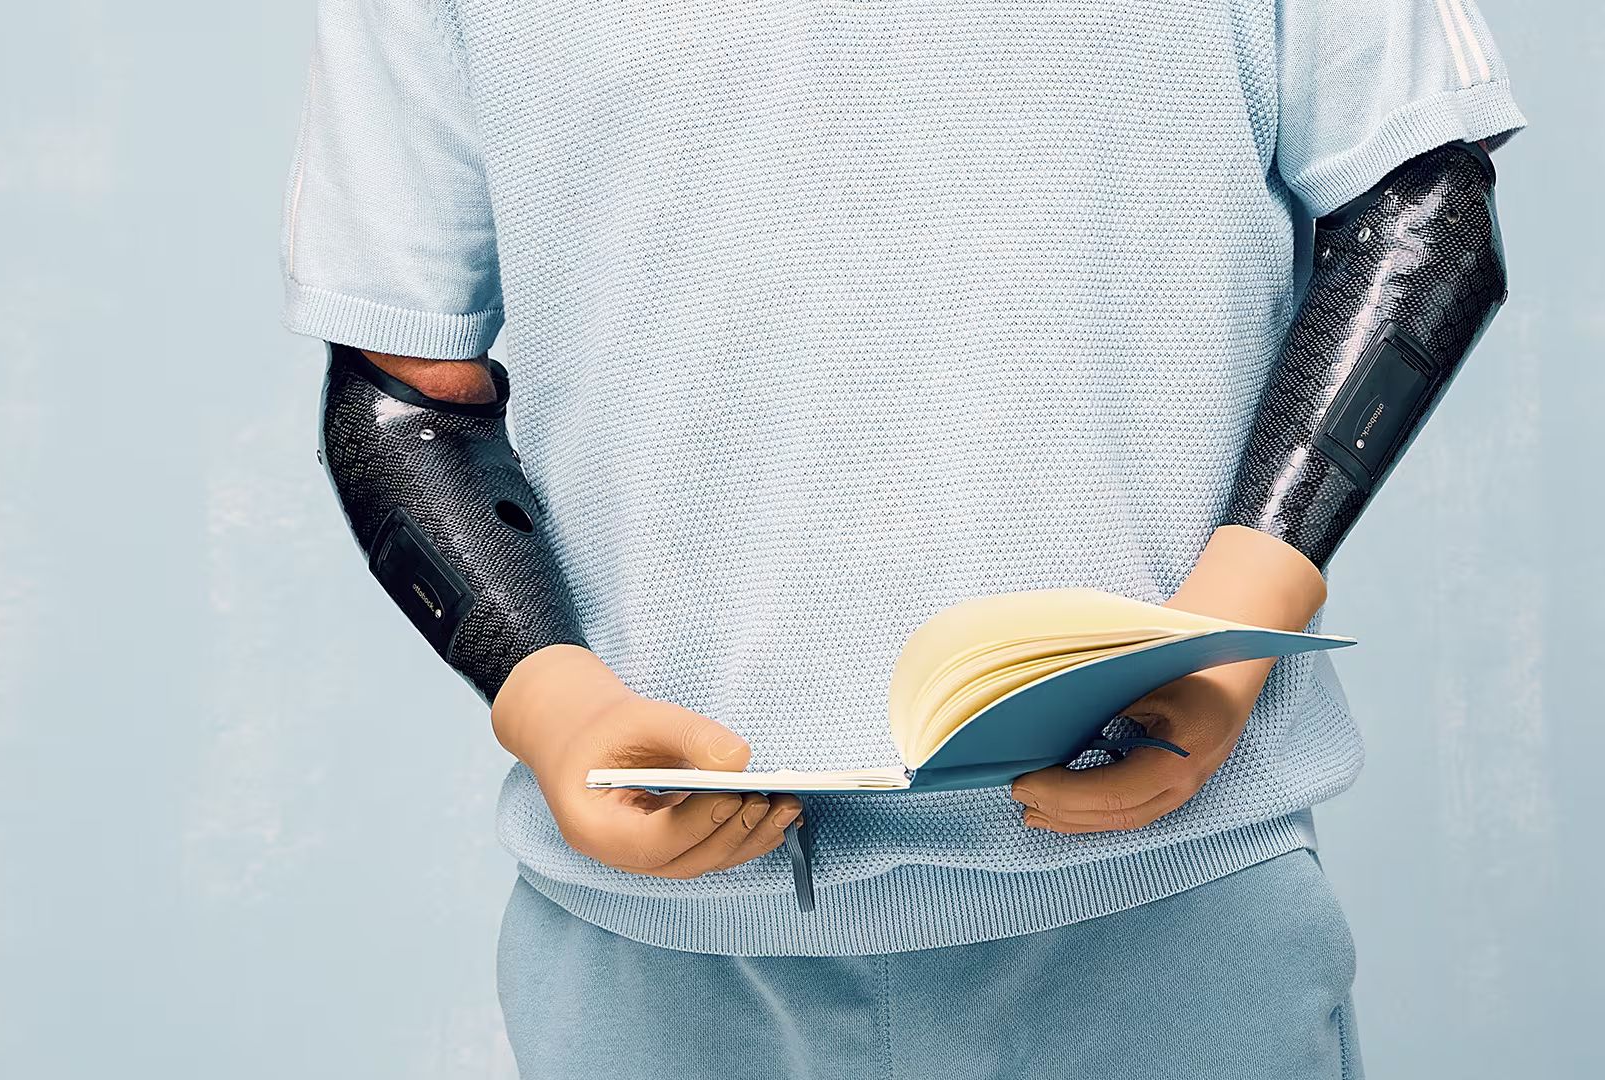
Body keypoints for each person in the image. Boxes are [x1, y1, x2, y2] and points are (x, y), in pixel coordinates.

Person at [282, 0, 1524, 1075]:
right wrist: (552, 705)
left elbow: (1424, 210)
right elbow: (404, 389)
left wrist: (1224, 628)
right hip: (649, 960)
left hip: (1174, 916)